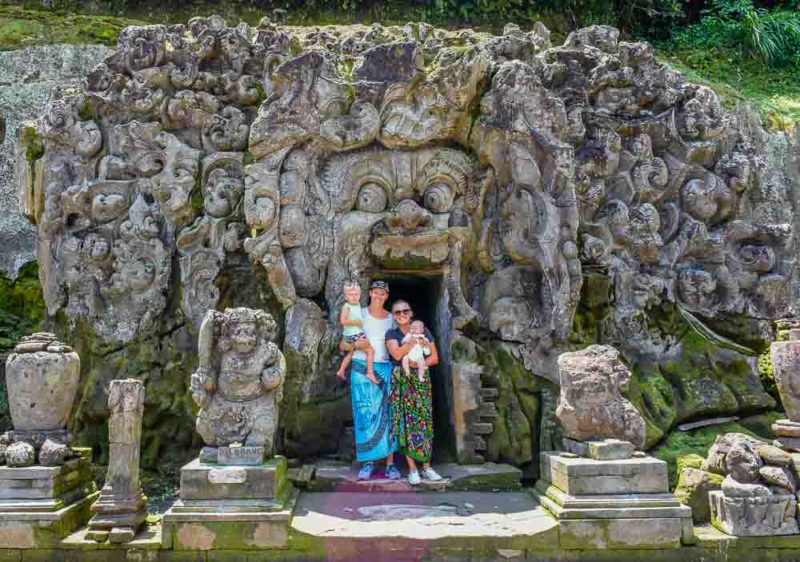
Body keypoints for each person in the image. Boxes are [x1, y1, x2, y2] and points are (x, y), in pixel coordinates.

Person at [340, 280, 401, 481]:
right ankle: (368, 463)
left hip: (384, 368)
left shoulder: (392, 319)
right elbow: (343, 344)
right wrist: (355, 344)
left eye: (383, 293)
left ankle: (391, 465)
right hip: (360, 366)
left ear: (387, 296)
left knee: (389, 415)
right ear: (370, 293)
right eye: (376, 292)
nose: (379, 296)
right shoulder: (359, 313)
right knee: (365, 414)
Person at [385, 300, 443, 485]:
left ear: (411, 313)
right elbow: (396, 355)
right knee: (405, 421)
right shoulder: (392, 333)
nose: (401, 314)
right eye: (397, 312)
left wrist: (419, 363)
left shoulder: (423, 330)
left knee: (424, 420)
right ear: (393, 316)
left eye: (405, 311)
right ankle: (412, 469)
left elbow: (434, 357)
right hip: (400, 380)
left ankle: (426, 467)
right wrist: (411, 345)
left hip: (420, 380)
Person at [336, 282, 377, 384]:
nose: (354, 297)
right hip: (352, 336)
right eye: (351, 295)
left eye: (356, 294)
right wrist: (356, 323)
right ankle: (370, 373)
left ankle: (341, 370)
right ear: (346, 296)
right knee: (370, 350)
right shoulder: (346, 306)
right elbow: (343, 321)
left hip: (355, 333)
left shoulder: (357, 304)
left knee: (351, 353)